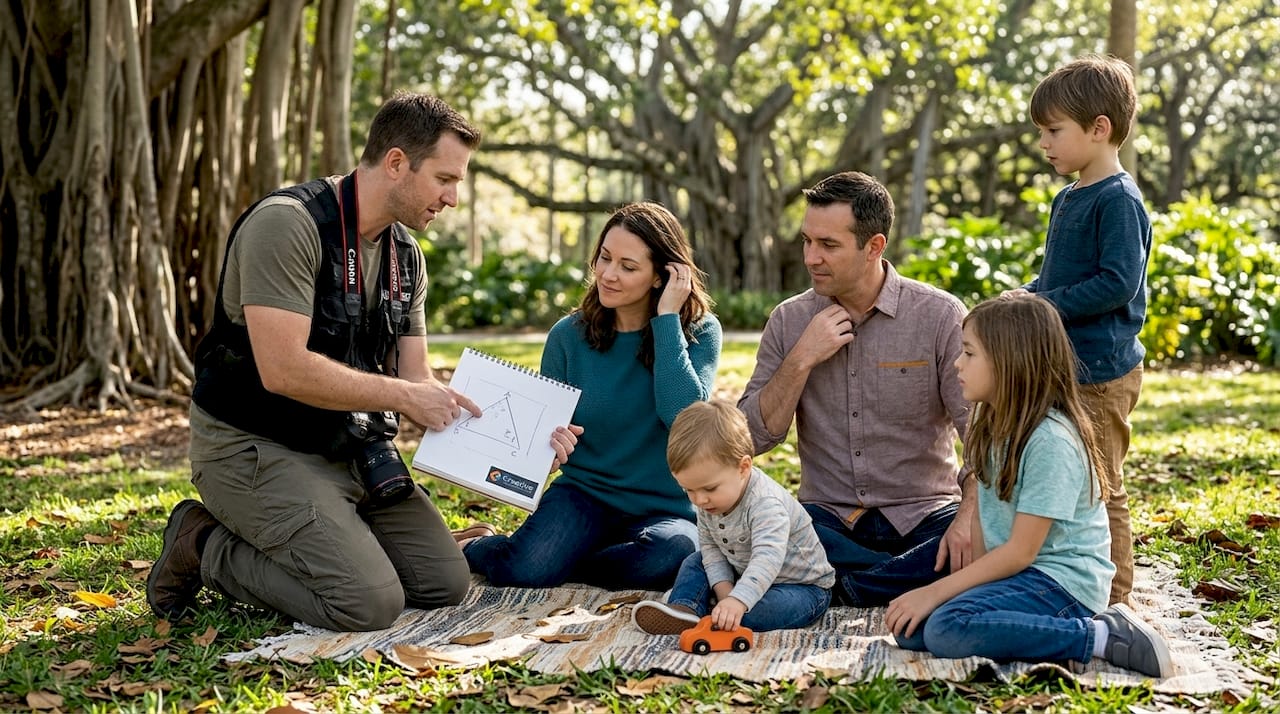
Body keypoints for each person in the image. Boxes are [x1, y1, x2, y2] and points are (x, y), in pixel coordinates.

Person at [146, 93, 580, 631]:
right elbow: (283, 370)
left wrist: (528, 451)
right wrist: (403, 397)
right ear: (396, 162)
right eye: (445, 179)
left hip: (350, 448)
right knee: (366, 604)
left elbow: (417, 380)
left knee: (443, 583)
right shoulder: (289, 225)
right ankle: (202, 542)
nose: (451, 199)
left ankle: (337, 534)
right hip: (254, 444)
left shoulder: (406, 256)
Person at [885, 294, 1172, 678]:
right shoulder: (991, 426)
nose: (957, 363)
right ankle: (1040, 638)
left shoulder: (1050, 441)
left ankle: (1101, 636)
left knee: (945, 626)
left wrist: (939, 591)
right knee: (914, 629)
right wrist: (963, 592)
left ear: (1009, 362)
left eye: (969, 354)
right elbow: (986, 526)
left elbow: (1021, 551)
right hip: (1023, 576)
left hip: (1065, 584)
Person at [737, 171, 973, 607]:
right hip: (827, 522)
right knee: (754, 535)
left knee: (984, 537)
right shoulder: (789, 321)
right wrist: (801, 358)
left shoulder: (940, 317)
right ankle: (896, 581)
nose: (811, 258)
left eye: (828, 245)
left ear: (874, 247)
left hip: (925, 517)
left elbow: (983, 435)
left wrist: (969, 518)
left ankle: (844, 585)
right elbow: (751, 438)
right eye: (807, 241)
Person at [458, 201, 722, 590]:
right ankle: (477, 546)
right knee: (524, 571)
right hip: (584, 495)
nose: (608, 275)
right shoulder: (568, 336)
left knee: (675, 553)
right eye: (605, 258)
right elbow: (541, 444)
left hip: (663, 508)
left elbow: (682, 418)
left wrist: (666, 321)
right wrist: (548, 448)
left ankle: (567, 560)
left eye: (628, 267)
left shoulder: (699, 332)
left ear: (660, 276)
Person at [1007, 55, 1153, 605]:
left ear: (1099, 129)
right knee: (1063, 473)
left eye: (1053, 131)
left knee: (1102, 482)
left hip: (1104, 371)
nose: (1044, 143)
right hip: (1065, 365)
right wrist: (1024, 294)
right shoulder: (1070, 195)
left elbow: (1117, 284)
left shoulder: (1119, 199)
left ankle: (1116, 599)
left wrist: (1042, 301)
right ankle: (1067, 574)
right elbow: (1057, 275)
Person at [631, 400, 834, 634]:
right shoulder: (709, 501)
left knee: (756, 614)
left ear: (743, 468)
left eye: (709, 489)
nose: (699, 500)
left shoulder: (766, 504)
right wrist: (725, 592)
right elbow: (711, 548)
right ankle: (685, 609)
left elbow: (766, 560)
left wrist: (738, 601)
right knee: (695, 561)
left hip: (800, 588)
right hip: (741, 572)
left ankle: (710, 610)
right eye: (688, 490)